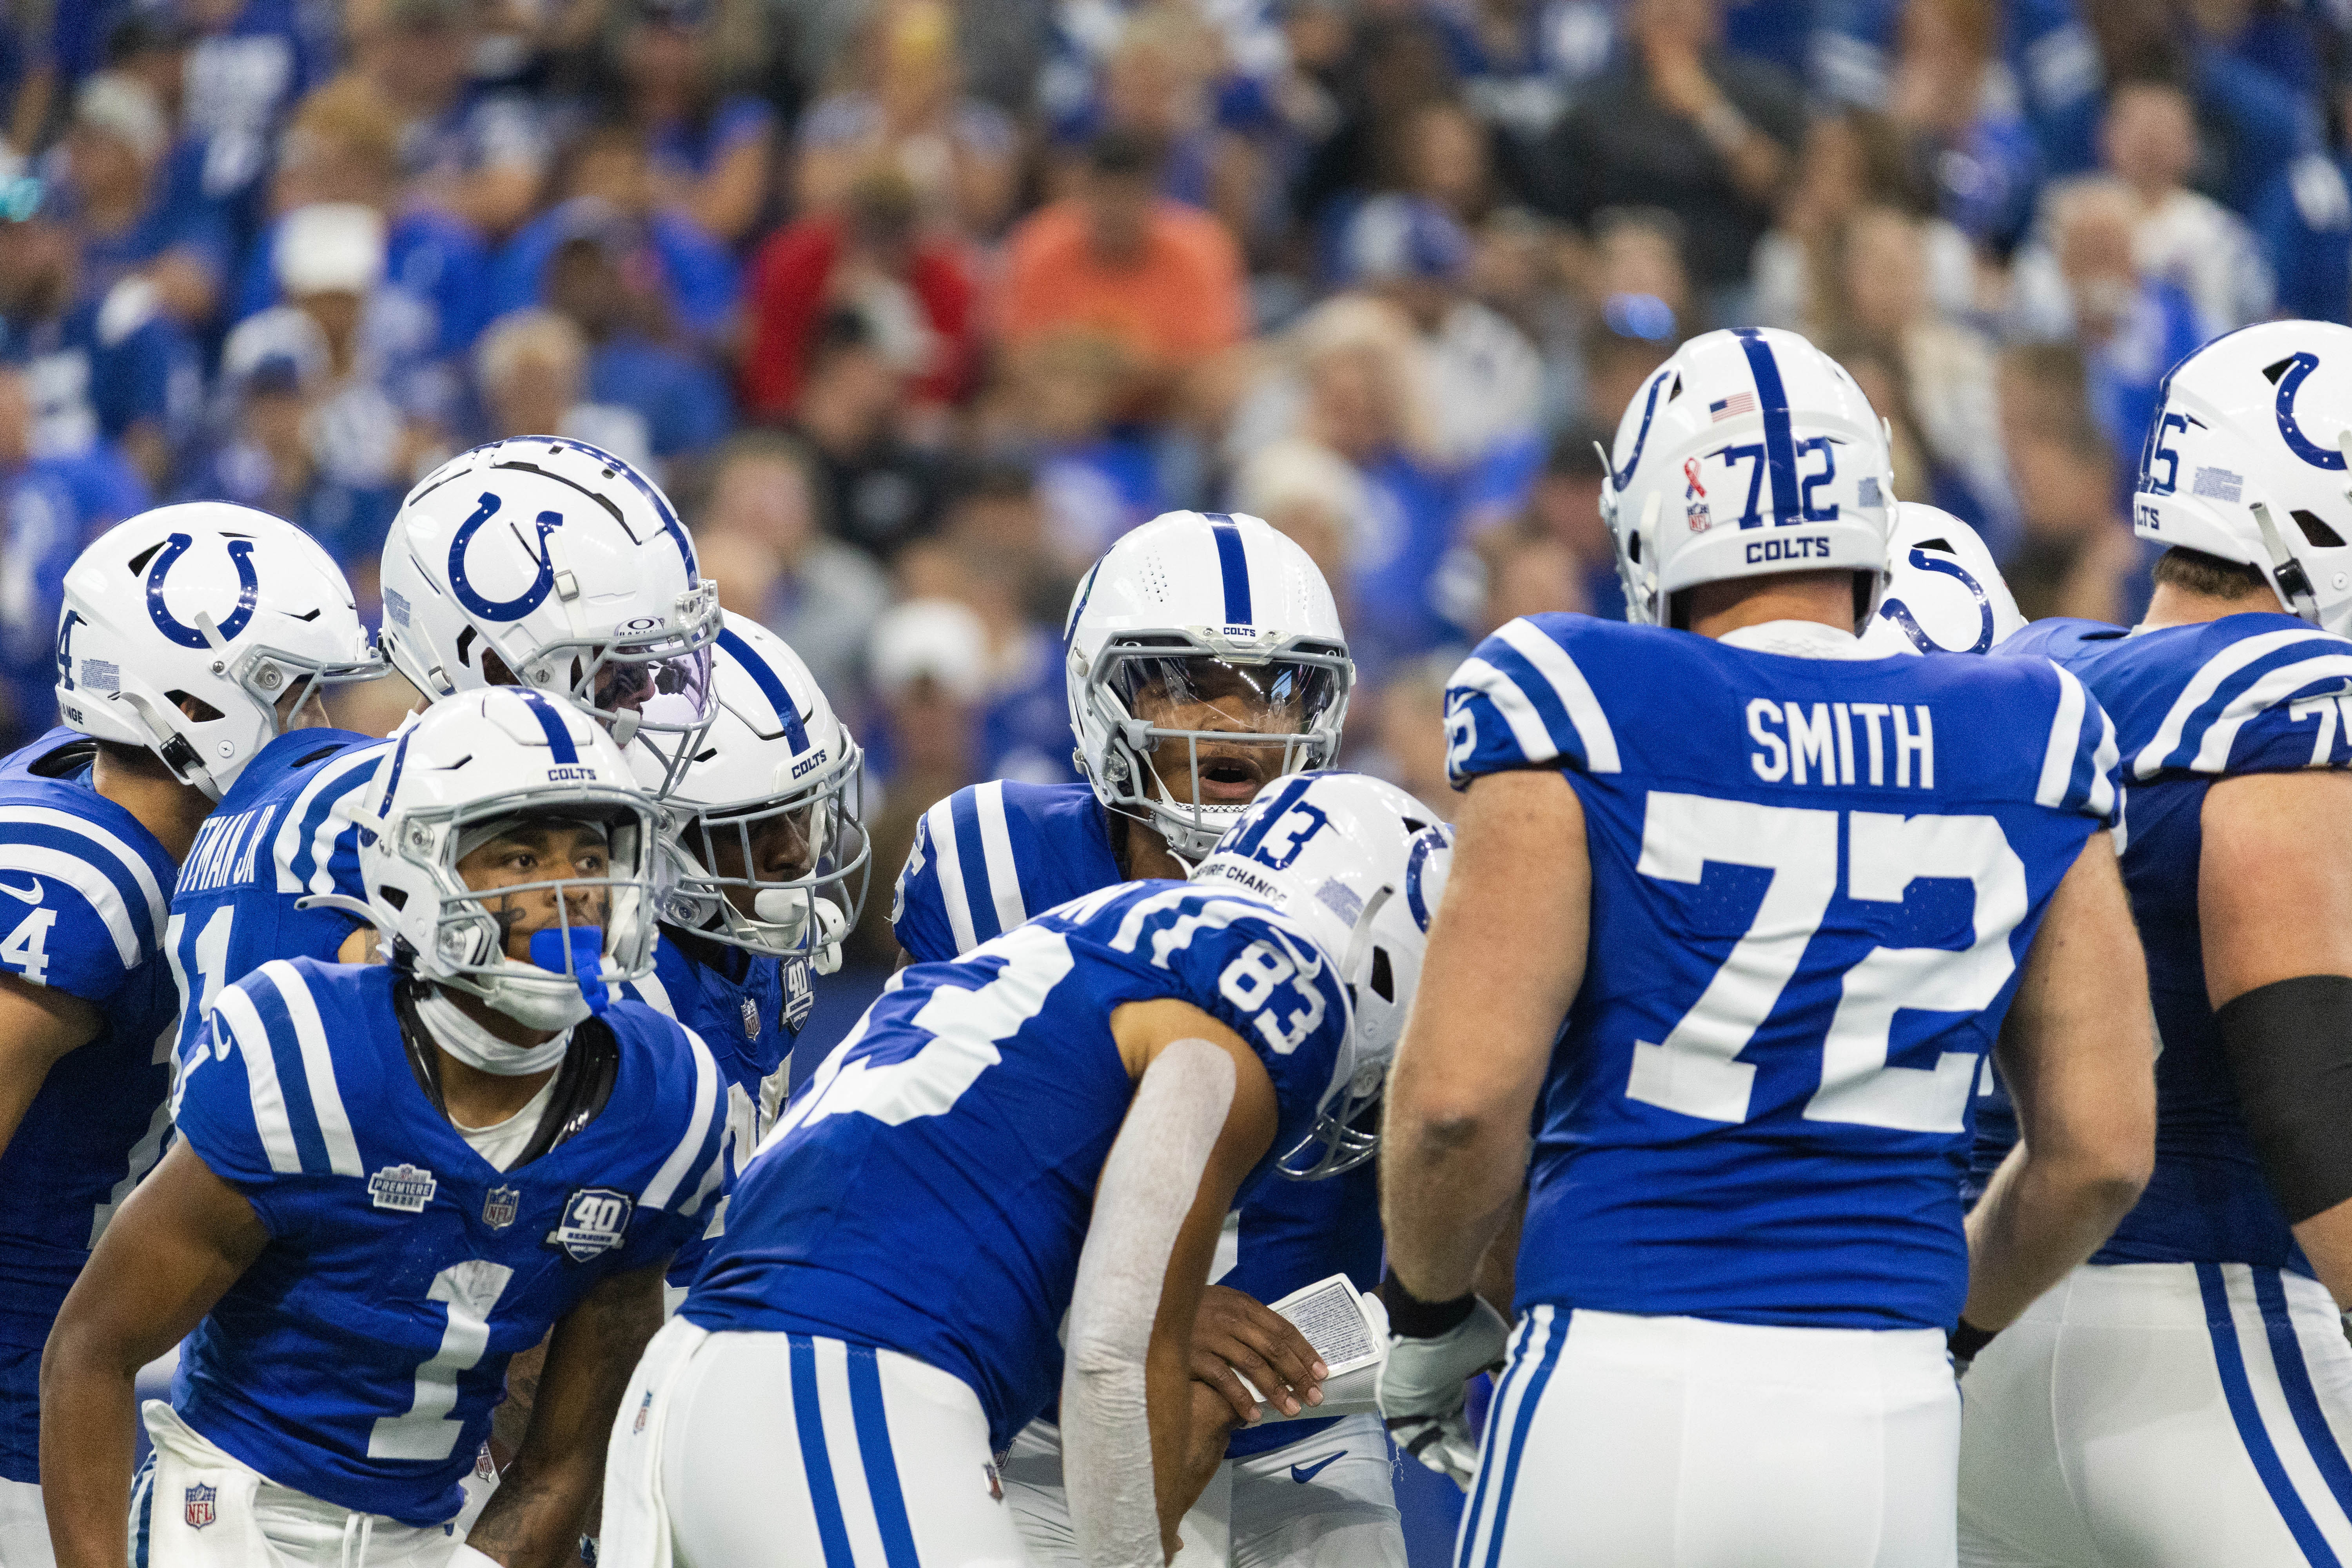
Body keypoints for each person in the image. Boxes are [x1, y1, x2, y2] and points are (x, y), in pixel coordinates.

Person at [1377, 326, 2156, 1566]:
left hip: (1623, 1380)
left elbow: (1462, 1106)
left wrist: (1423, 1315)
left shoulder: (1578, 688)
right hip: (1887, 1413)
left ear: (1654, 524)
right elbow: (2103, 1149)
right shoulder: (2031, 723)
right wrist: (1945, 1332)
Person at [604, 771, 1450, 1566]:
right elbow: (1117, 1348)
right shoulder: (1277, 977)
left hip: (700, 1382)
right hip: (848, 1370)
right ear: (1382, 931)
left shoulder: (1102, 932)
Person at [40, 689, 731, 1568]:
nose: (570, 895)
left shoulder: (662, 1101)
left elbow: (569, 1449)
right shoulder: (311, 1055)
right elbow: (94, 1350)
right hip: (232, 1508)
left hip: (440, 1529)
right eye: (520, 854)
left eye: (591, 855)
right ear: (419, 866)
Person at [892, 510, 1405, 1567]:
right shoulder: (988, 858)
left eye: (1278, 689)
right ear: (1099, 694)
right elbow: (943, 1177)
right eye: (1186, 681)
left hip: (1298, 1420)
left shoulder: (1385, 874)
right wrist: (1149, 1313)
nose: (1236, 721)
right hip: (1041, 1402)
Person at [1957, 320, 2352, 1564]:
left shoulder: (2020, 673)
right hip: (2205, 1336)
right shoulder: (2285, 702)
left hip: (1985, 1332)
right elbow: (2308, 1090)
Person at [162, 436, 722, 1162]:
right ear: (489, 660)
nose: (647, 693)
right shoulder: (355, 813)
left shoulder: (331, 789)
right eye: (619, 665)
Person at [0, 502, 381, 1568]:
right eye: (292, 689)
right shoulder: (87, 868)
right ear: (189, 697)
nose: (318, 720)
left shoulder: (117, 806)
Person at [616, 612, 866, 1308]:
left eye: (802, 807)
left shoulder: (759, 940)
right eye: (751, 826)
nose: (794, 851)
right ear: (656, 840)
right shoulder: (623, 1003)